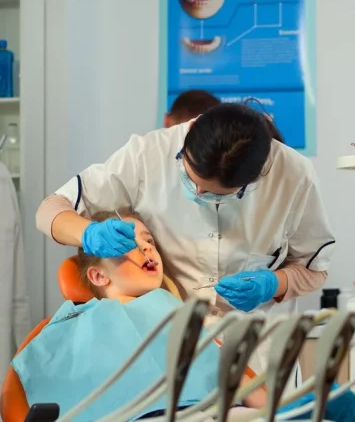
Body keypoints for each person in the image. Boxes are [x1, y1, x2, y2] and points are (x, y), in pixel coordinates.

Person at [36, 103, 335, 378]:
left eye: (219, 195)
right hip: (171, 354)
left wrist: (274, 283)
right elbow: (51, 209)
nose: (200, 195)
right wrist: (86, 232)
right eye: (192, 180)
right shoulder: (146, 155)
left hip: (252, 353)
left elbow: (315, 267)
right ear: (190, 133)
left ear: (256, 178)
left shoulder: (294, 176)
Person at [14, 210, 355, 421]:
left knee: (340, 400)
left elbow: (235, 375)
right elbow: (38, 387)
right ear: (99, 276)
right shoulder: (72, 326)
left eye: (148, 241)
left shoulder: (177, 312)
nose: (147, 247)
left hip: (210, 413)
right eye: (129, 244)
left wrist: (276, 410)